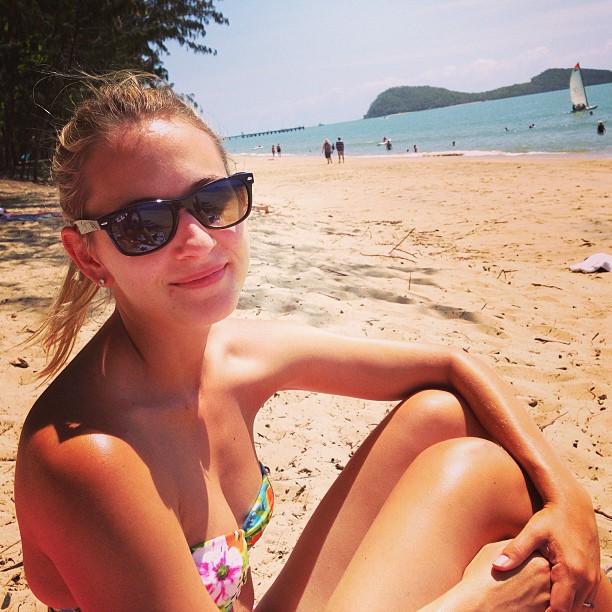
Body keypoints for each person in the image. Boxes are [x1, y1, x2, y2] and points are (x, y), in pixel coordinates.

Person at [14, 71, 609, 612]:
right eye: (143, 224)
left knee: (445, 417)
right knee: (501, 520)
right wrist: (477, 604)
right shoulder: (90, 459)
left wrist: (570, 499)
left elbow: (452, 363)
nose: (197, 240)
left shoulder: (232, 355)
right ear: (88, 255)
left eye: (212, 201)